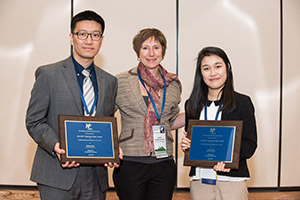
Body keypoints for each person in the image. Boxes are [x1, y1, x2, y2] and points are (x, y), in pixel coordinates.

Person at [25, 10, 117, 200]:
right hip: (57, 174)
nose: (89, 41)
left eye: (95, 35)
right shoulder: (48, 74)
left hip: (95, 177)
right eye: (82, 34)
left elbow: (107, 123)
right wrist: (56, 146)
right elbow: (34, 121)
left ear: (102, 39)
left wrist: (111, 149)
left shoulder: (109, 81)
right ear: (71, 38)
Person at [113, 28, 184, 200]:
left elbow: (170, 121)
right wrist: (111, 146)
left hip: (164, 162)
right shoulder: (120, 81)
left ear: (163, 51)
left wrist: (196, 111)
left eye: (156, 47)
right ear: (138, 52)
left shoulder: (173, 84)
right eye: (145, 48)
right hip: (130, 162)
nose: (151, 53)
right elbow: (105, 118)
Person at [181, 46, 257, 200]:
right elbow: (195, 144)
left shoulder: (242, 102)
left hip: (231, 180)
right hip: (199, 181)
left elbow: (250, 143)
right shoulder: (192, 105)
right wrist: (187, 145)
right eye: (206, 68)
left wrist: (229, 160)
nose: (213, 73)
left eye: (218, 66)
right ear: (200, 73)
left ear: (227, 68)